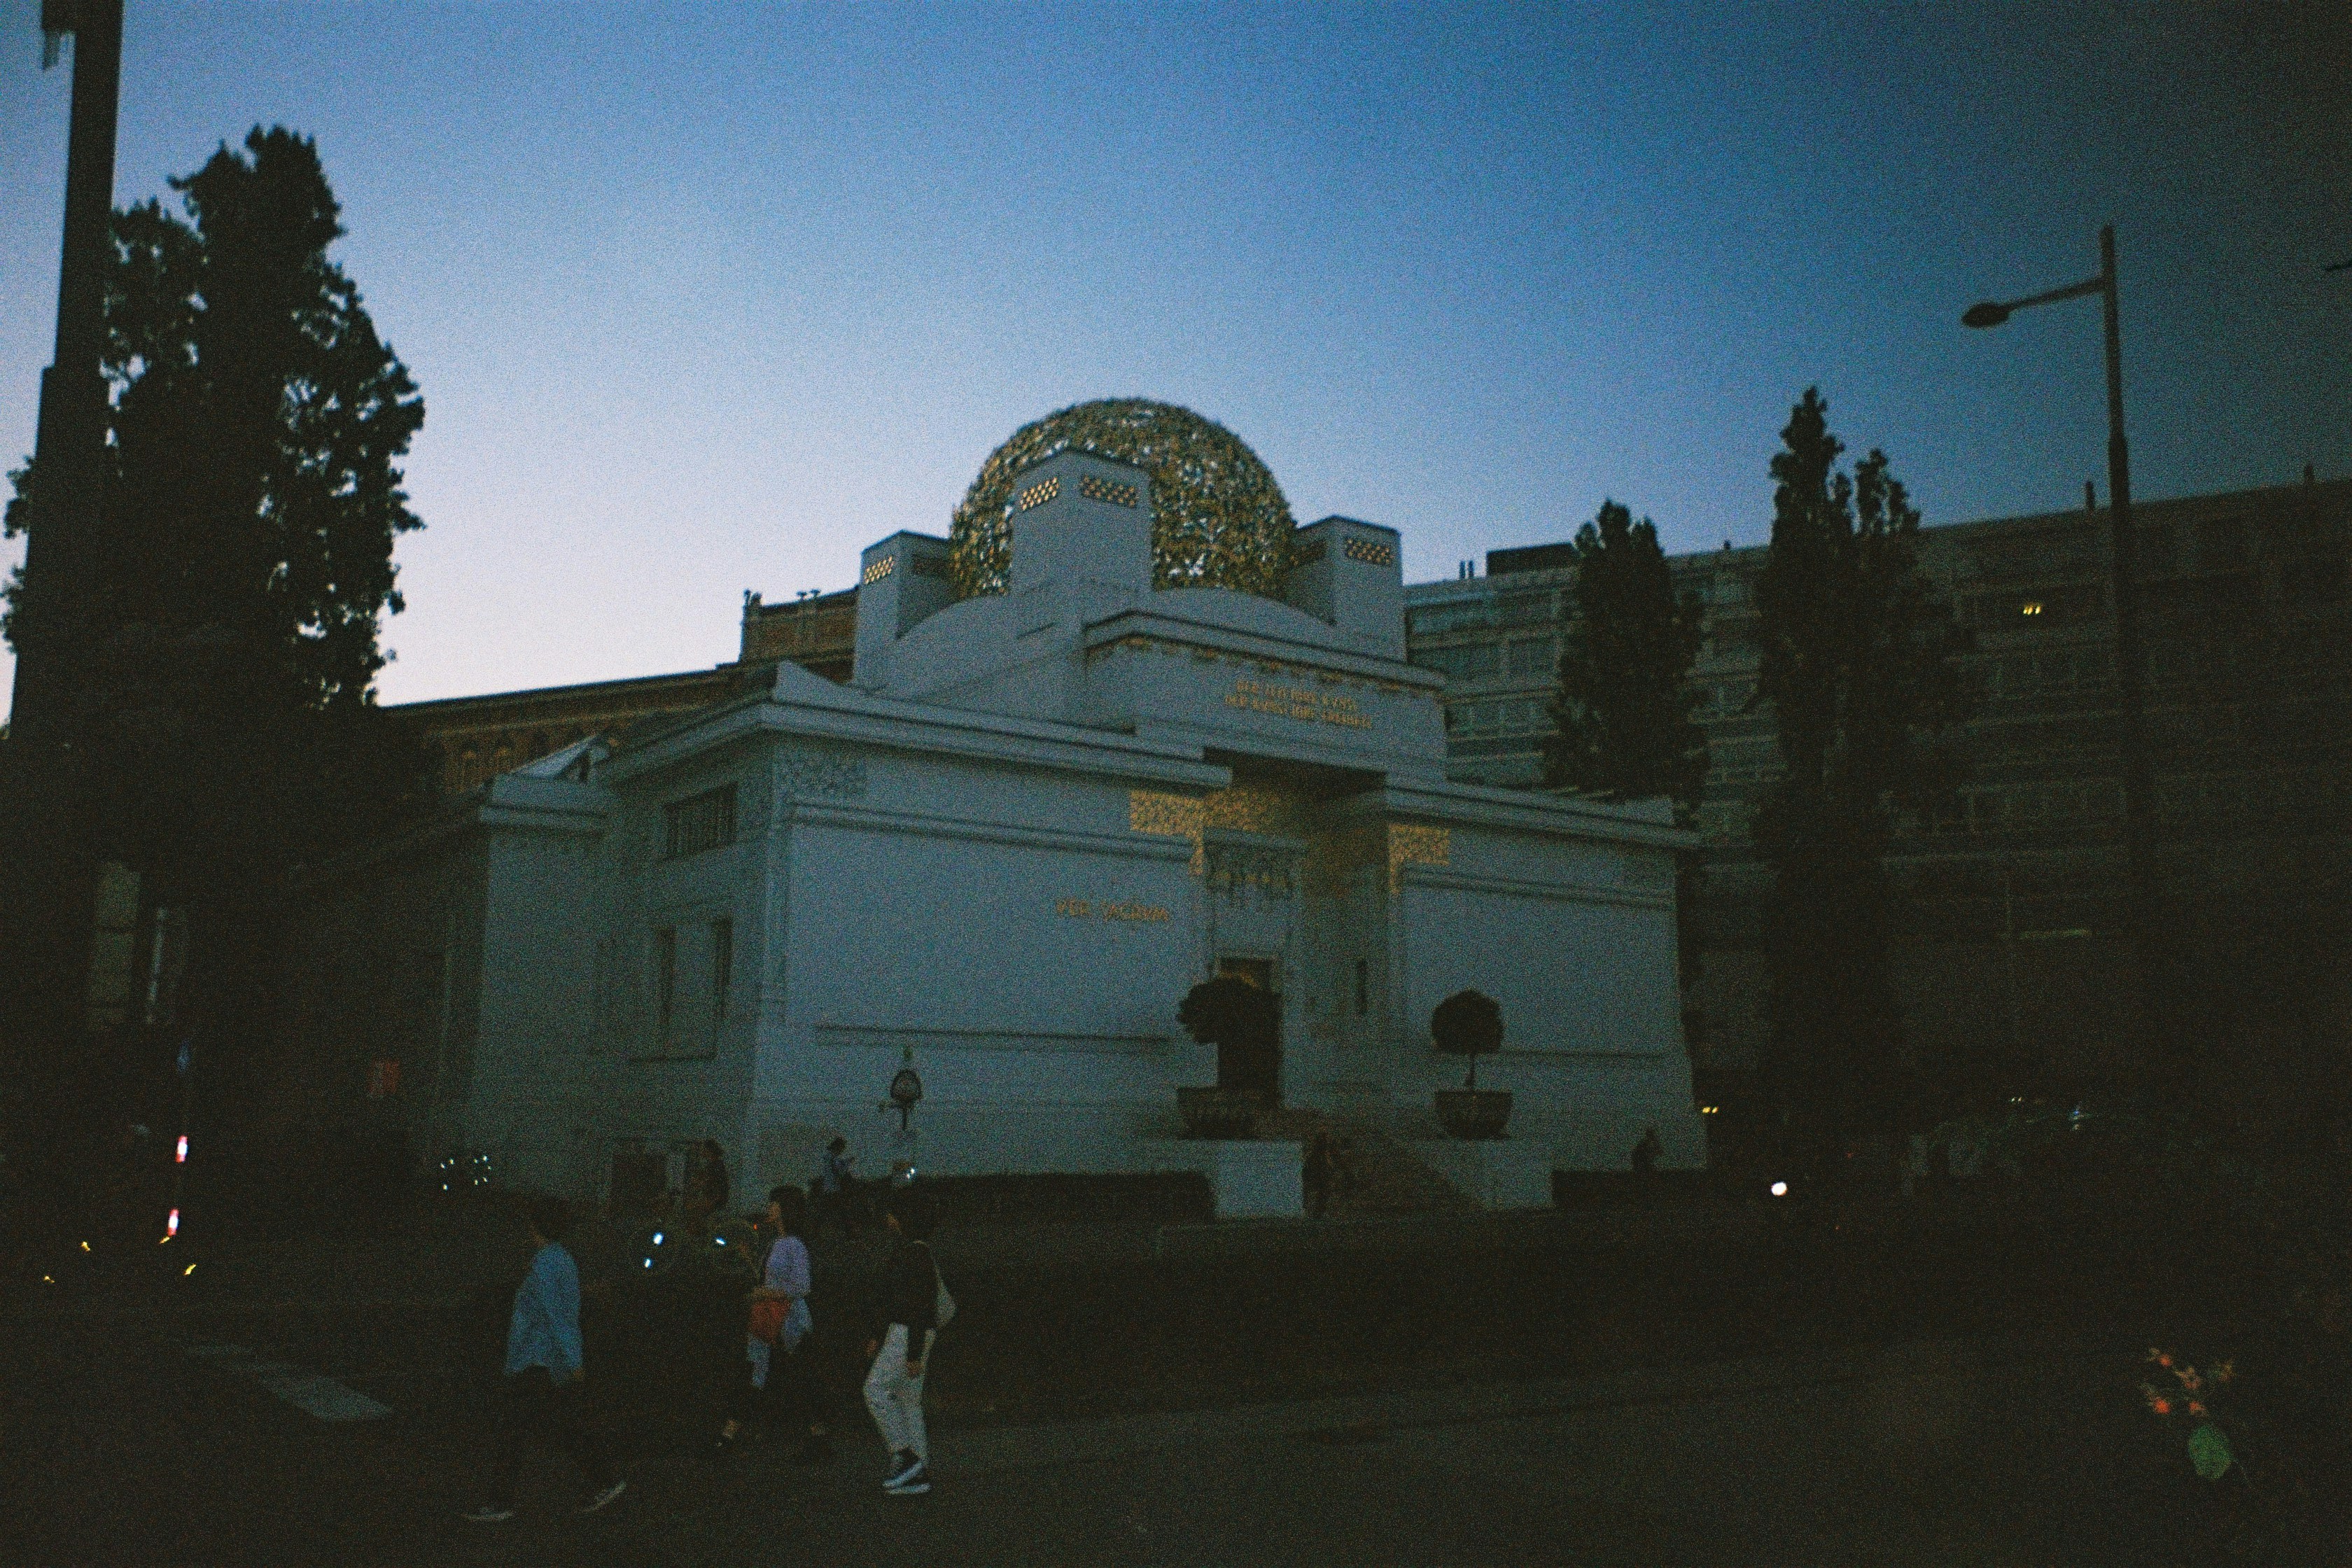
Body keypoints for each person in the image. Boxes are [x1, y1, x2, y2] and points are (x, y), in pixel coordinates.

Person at [465, 1198, 625, 1522]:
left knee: (514, 1431)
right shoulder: (562, 1259)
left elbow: (557, 1315)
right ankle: (605, 1480)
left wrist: (574, 1359)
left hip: (538, 1360)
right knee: (562, 1426)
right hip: (548, 1361)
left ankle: (500, 1502)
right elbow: (567, 1310)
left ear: (536, 1227)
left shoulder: (545, 1263)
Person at [712, 1186, 833, 1462]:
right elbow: (773, 1282)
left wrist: (761, 1293)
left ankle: (731, 1435)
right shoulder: (777, 1243)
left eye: (773, 1204)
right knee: (769, 1375)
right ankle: (731, 1435)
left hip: (786, 1321)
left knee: (775, 1376)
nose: (769, 1208)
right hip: (771, 1318)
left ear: (783, 1209)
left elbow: (801, 1287)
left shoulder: (793, 1244)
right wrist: (750, 1264)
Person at [862, 1184, 939, 1496]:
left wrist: (912, 1351)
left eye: (892, 1215)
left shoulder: (913, 1253)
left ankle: (905, 1457)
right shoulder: (919, 1250)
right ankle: (918, 1467)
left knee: (875, 1390)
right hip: (916, 1332)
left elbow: (912, 1304)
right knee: (909, 1400)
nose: (888, 1220)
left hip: (908, 1332)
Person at [682, 1138, 729, 1238]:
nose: (701, 1151)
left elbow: (716, 1186)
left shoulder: (716, 1166)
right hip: (712, 1201)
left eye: (703, 1149)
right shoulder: (713, 1165)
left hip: (713, 1202)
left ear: (709, 1151)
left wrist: (710, 1202)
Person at [814, 1137, 858, 1238]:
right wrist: (848, 1163)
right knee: (843, 1211)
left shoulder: (828, 1157)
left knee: (824, 1212)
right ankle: (850, 1233)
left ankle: (815, 1231)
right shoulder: (833, 1158)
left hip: (827, 1189)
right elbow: (840, 1172)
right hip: (834, 1189)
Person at [1303, 1132, 1336, 1219]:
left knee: (1321, 1198)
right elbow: (1307, 1171)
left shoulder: (1322, 1155)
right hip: (1318, 1182)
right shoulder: (1316, 1156)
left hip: (1320, 1182)